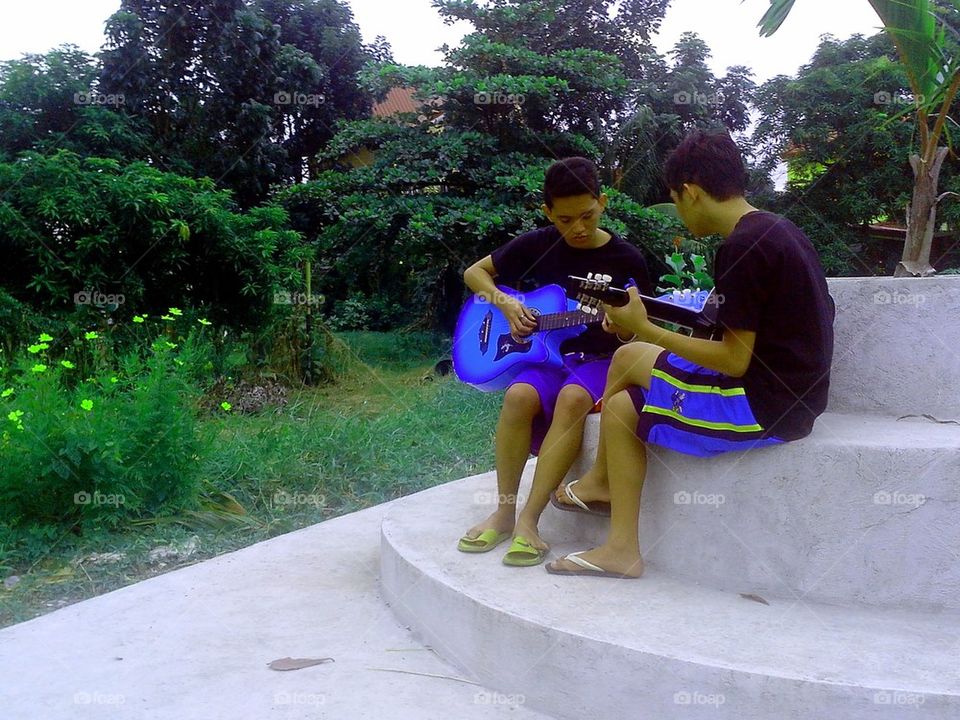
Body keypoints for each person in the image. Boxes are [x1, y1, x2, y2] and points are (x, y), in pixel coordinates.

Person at [546, 129, 835, 578]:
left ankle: (600, 483)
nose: (679, 211)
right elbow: (730, 328)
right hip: (792, 394)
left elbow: (734, 360)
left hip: (766, 405)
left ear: (691, 192)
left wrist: (644, 329)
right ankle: (621, 548)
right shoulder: (777, 230)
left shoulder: (742, 247)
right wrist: (646, 322)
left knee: (627, 356)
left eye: (676, 200)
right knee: (623, 406)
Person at [457, 156, 652, 565]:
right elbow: (475, 273)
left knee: (572, 399)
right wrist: (507, 304)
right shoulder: (537, 243)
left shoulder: (627, 259)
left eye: (587, 215)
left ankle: (530, 521)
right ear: (548, 212)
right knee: (518, 396)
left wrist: (623, 329)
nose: (577, 227)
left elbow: (642, 331)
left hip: (601, 358)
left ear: (603, 202)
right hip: (549, 357)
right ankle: (504, 513)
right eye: (565, 219)